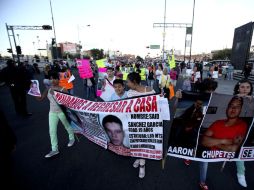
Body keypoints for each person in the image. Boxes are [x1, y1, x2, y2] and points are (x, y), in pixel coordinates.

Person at [36, 72, 75, 158]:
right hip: (52, 112)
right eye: (51, 79)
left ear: (59, 79)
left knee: (67, 126)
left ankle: (72, 138)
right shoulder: (48, 89)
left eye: (55, 78)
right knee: (52, 131)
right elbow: (40, 99)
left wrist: (58, 96)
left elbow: (69, 102)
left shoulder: (63, 89)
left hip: (62, 112)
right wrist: (34, 91)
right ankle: (54, 149)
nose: (53, 80)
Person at [126, 72, 156, 178]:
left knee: (143, 143)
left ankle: (142, 166)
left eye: (128, 81)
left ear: (134, 82)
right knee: (138, 143)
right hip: (134, 123)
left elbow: (156, 106)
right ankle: (139, 158)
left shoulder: (150, 90)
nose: (126, 83)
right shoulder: (129, 93)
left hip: (148, 123)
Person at [232, 79, 254, 187]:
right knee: (239, 149)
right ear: (238, 88)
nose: (245, 90)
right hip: (235, 129)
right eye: (242, 87)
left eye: (248, 87)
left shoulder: (253, 100)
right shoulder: (232, 98)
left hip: (249, 129)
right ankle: (241, 173)